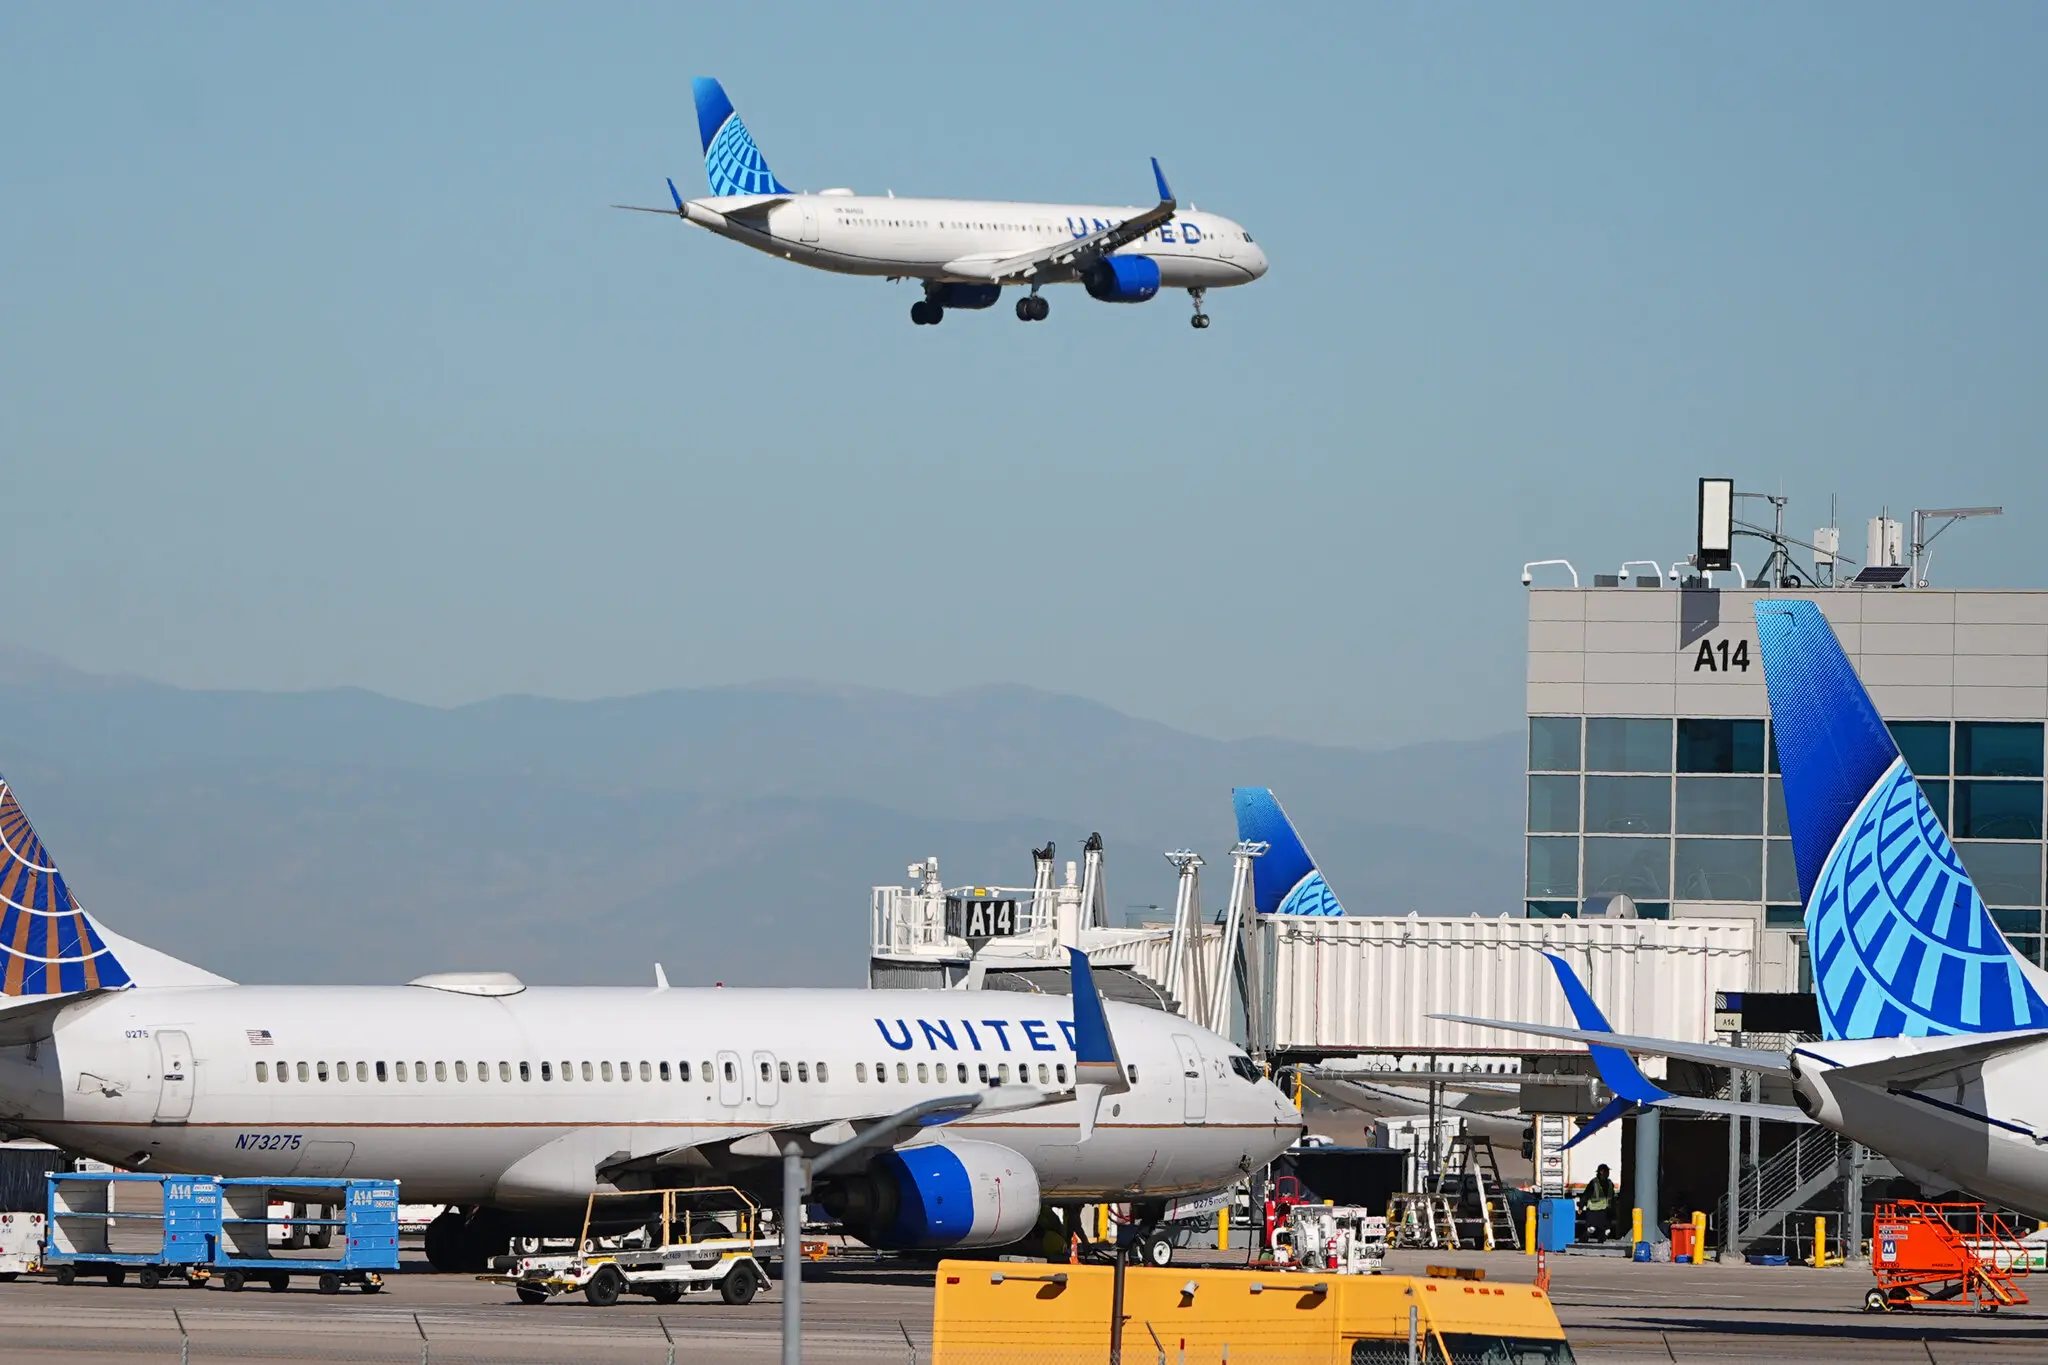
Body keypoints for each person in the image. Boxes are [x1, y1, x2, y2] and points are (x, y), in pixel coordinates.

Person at [1579, 1163, 1617, 1241]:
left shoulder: (1610, 1183)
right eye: (1606, 1171)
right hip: (1593, 1211)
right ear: (1601, 1172)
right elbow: (1586, 1195)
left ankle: (1602, 1241)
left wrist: (1614, 1209)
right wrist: (1581, 1206)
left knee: (1606, 1230)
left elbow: (1612, 1197)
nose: (1608, 1173)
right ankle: (1583, 1238)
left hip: (1604, 1211)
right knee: (1592, 1229)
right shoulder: (1594, 1183)